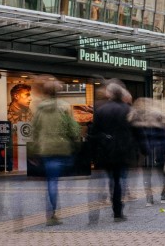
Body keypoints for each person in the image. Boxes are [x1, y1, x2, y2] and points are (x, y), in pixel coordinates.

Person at [29, 81, 81, 225]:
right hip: (62, 148)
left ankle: (51, 214)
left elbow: (34, 131)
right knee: (54, 179)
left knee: (51, 181)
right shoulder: (64, 107)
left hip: (45, 148)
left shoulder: (39, 108)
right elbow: (73, 129)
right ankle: (52, 214)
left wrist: (33, 150)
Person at [89, 82, 136, 222]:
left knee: (110, 179)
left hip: (106, 150)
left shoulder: (101, 110)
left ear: (109, 94)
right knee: (119, 179)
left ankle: (102, 209)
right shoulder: (128, 110)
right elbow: (136, 130)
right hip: (123, 150)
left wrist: (93, 151)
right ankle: (118, 211)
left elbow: (93, 132)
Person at [130, 98, 165, 206]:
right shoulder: (159, 125)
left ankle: (149, 199)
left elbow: (139, 139)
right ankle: (163, 196)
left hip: (147, 152)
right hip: (159, 151)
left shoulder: (142, 125)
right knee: (163, 175)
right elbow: (164, 139)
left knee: (147, 176)